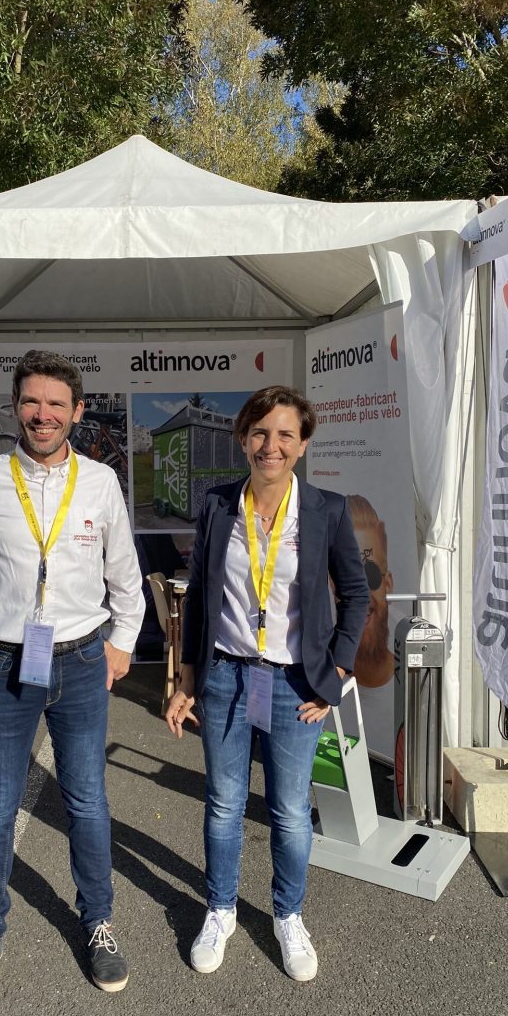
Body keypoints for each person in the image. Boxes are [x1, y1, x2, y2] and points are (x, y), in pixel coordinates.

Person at [0, 350, 145, 1012]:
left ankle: (97, 919)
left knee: (88, 801)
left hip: (80, 659)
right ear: (16, 407)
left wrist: (123, 643)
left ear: (76, 412)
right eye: (32, 402)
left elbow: (125, 575)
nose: (43, 415)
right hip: (5, 664)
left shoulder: (99, 481)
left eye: (56, 405)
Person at [165, 385, 368, 982]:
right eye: (259, 433)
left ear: (302, 445)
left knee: (287, 811)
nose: (270, 446)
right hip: (226, 675)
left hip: (293, 683)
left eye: (284, 435)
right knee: (225, 803)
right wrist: (186, 679)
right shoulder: (218, 504)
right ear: (242, 440)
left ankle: (287, 915)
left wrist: (336, 676)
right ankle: (221, 909)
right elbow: (200, 594)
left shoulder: (326, 511)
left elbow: (355, 595)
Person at [347, 494, 394, 688]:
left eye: (371, 574)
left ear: (388, 584)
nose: (361, 592)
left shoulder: (415, 683)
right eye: (346, 574)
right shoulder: (314, 684)